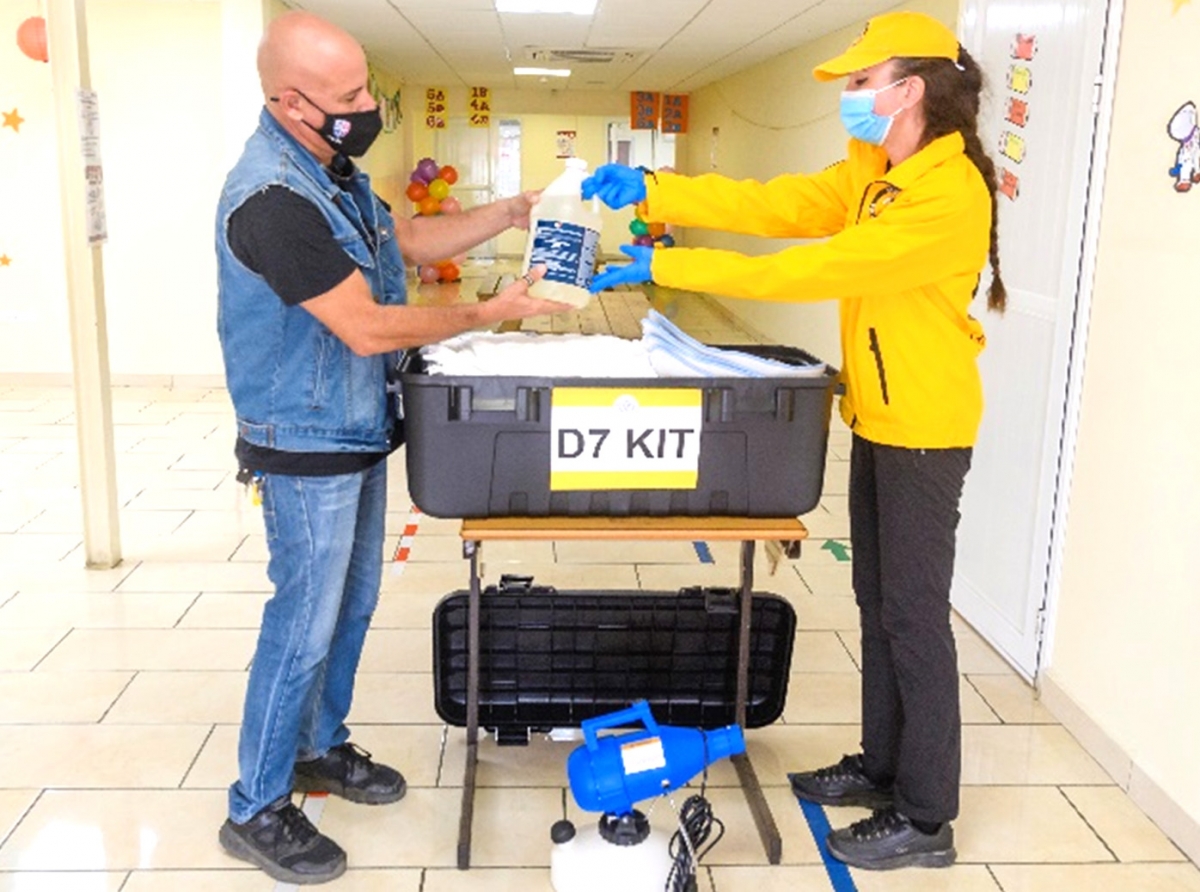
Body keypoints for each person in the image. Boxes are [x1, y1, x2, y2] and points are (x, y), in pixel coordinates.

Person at [582, 10, 1005, 872]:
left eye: (860, 82)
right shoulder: (872, 166)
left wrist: (673, 267)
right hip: (879, 418)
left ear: (908, 90)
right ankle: (882, 767)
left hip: (926, 429)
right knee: (877, 610)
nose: (850, 97)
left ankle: (926, 816)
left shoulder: (948, 195)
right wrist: (664, 193)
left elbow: (813, 266)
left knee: (915, 622)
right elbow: (780, 205)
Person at [214, 11, 570, 885]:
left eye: (366, 84)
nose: (369, 106)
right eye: (350, 97)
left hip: (357, 426)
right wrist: (488, 314)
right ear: (289, 102)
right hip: (303, 441)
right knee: (301, 622)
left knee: (352, 607)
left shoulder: (331, 170)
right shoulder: (271, 201)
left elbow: (403, 241)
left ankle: (318, 747)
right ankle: (255, 806)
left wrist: (517, 210)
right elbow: (367, 326)